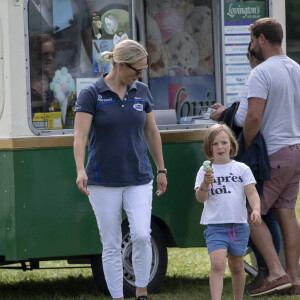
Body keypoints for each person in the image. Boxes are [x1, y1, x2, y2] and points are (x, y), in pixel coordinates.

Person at [73, 39, 167, 300]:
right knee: (111, 244)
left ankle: (141, 293)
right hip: (102, 181)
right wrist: (80, 170)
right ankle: (117, 296)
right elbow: (79, 137)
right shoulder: (91, 93)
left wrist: (161, 169)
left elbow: (151, 132)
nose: (141, 75)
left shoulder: (142, 91)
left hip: (139, 176)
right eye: (137, 70)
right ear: (121, 65)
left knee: (140, 234)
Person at [210, 44, 281, 291]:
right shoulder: (291, 69)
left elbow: (246, 117)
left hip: (263, 151)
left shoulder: (259, 75)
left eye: (248, 51)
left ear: (255, 53)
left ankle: (271, 271)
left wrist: (223, 115)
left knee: (260, 212)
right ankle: (285, 274)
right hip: (290, 147)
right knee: (279, 213)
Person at [244, 17, 300, 296]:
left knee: (249, 214)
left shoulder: (262, 72)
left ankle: (276, 274)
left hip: (274, 152)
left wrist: (246, 144)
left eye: (252, 39)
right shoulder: (297, 68)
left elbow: (253, 116)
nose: (251, 45)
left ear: (262, 40)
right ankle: (294, 279)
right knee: (287, 214)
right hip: (296, 150)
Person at [194, 123, 261, 300]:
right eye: (215, 144)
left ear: (231, 144)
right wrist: (206, 184)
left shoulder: (241, 169)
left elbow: (252, 192)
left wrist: (255, 210)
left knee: (237, 266)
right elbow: (200, 198)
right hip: (215, 226)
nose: (220, 147)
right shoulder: (205, 170)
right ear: (209, 148)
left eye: (224, 142)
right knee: (217, 265)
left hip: (238, 226)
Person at [30, 34, 56, 113]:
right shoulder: (25, 83)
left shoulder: (55, 82)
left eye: (52, 54)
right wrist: (32, 101)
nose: (50, 58)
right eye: (45, 55)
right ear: (35, 55)